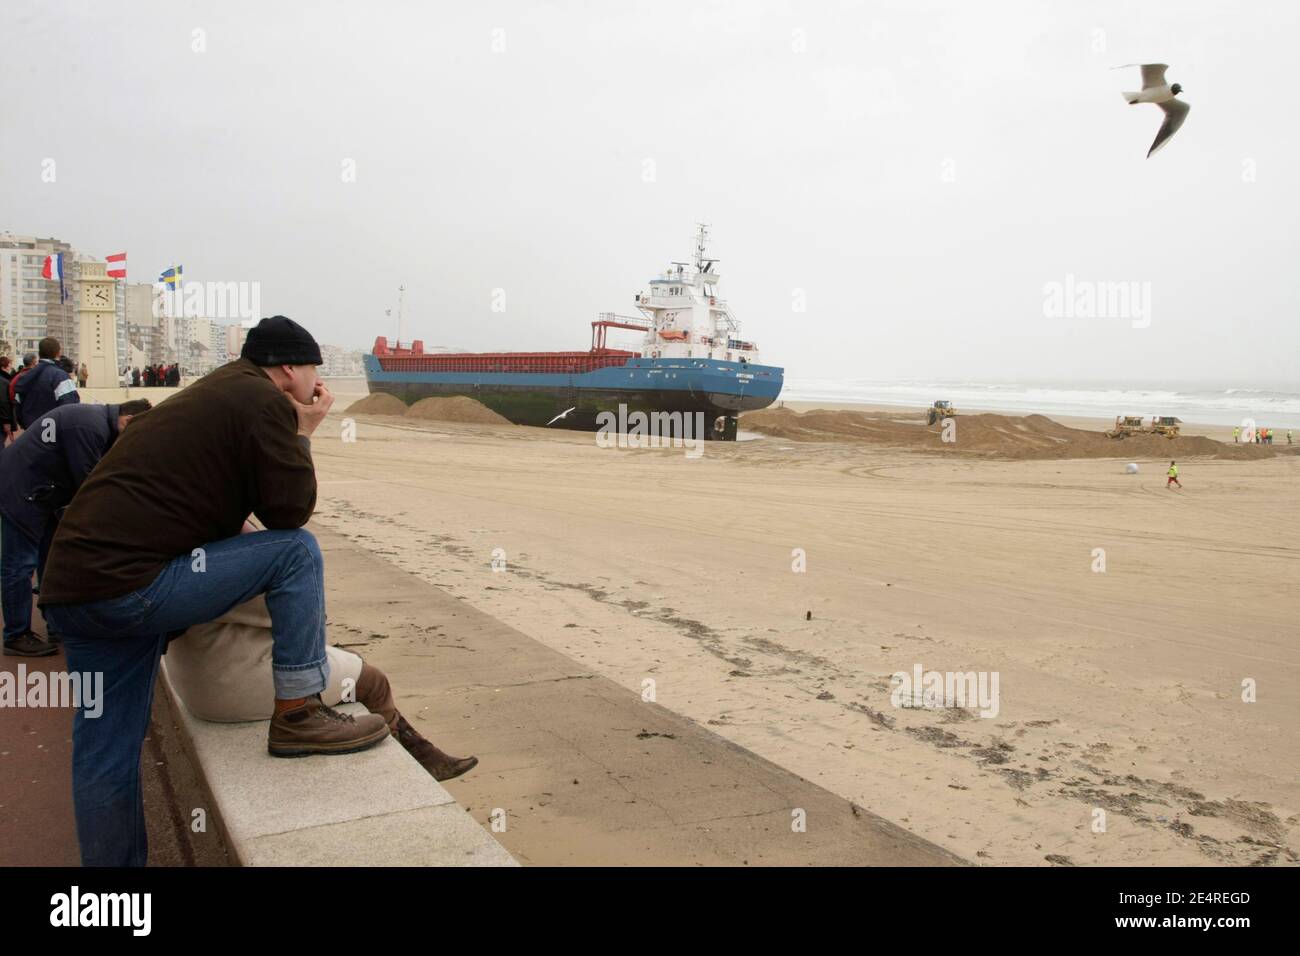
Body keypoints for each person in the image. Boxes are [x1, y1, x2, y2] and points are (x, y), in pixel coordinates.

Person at [40, 316, 392, 867]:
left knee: (103, 757)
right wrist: (304, 431)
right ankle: (298, 712)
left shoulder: (211, 393)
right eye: (314, 368)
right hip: (132, 586)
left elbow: (194, 500)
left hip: (74, 589)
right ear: (289, 369)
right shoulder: (264, 402)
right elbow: (289, 513)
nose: (318, 380)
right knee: (298, 552)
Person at [167, 595, 477, 781]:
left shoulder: (189, 528)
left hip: (196, 667)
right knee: (373, 681)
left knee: (349, 660)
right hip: (228, 680)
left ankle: (418, 751)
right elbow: (290, 609)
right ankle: (411, 764)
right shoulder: (226, 537)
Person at [0, 399, 152, 657]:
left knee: (50, 560)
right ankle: (16, 635)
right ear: (128, 420)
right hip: (22, 493)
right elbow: (89, 484)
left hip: (42, 494)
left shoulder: (95, 423)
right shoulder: (89, 427)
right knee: (19, 565)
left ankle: (56, 625)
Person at [15, 338, 79, 429]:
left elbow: (18, 403)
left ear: (39, 353)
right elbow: (70, 407)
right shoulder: (60, 376)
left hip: (30, 431)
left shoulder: (25, 376)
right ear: (58, 353)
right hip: (52, 433)